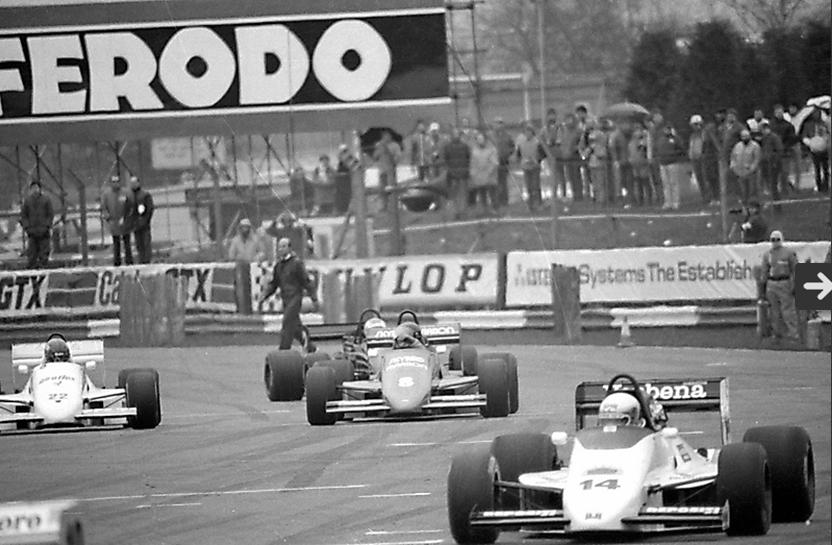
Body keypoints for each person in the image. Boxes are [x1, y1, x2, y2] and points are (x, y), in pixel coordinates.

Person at [258, 237, 319, 351]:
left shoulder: (297, 263)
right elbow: (274, 284)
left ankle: (284, 349)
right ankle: (310, 346)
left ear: (290, 248)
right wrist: (265, 294)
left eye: (284, 246)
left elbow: (306, 281)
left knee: (287, 322)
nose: (281, 249)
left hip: (295, 298)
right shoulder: (278, 266)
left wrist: (314, 298)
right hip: (285, 299)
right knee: (295, 328)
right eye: (279, 247)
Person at [761, 230, 798, 343]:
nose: (775, 242)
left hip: (784, 282)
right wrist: (763, 286)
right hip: (772, 283)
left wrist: (794, 284)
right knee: (774, 311)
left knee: (788, 310)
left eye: (777, 239)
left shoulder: (789, 253)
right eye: (773, 239)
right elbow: (764, 271)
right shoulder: (767, 254)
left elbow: (795, 270)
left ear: (781, 239)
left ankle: (793, 334)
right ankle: (777, 334)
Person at [19, 180, 54, 269]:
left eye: (36, 188)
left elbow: (50, 214)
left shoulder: (46, 200)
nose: (35, 190)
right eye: (33, 188)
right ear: (30, 189)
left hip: (44, 233)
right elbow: (23, 216)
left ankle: (43, 272)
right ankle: (32, 274)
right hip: (32, 233)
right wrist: (27, 228)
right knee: (32, 255)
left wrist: (46, 226)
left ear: (40, 189)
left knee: (44, 254)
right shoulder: (27, 201)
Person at [101, 175, 133, 266]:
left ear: (120, 182)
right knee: (116, 243)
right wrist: (107, 216)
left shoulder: (126, 192)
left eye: (117, 182)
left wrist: (127, 217)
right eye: (113, 182)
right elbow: (104, 207)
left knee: (127, 242)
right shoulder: (106, 194)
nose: (115, 184)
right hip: (113, 221)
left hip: (125, 220)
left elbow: (130, 205)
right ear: (111, 183)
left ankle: (129, 261)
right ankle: (117, 262)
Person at [441, 128, 472, 220]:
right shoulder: (451, 147)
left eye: (457, 134)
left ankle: (460, 213)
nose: (456, 136)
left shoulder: (463, 146)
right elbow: (445, 160)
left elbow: (468, 159)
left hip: (459, 174)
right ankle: (458, 213)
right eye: (455, 134)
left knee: (460, 195)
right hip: (455, 174)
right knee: (457, 195)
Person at [655, 124, 687, 210]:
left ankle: (675, 202)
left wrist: (674, 154)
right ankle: (667, 202)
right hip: (663, 163)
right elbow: (657, 149)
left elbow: (682, 149)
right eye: (665, 129)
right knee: (665, 184)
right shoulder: (660, 139)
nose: (666, 130)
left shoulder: (676, 139)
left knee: (674, 183)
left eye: (668, 129)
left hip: (673, 163)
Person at [514, 123, 543, 212]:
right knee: (528, 186)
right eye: (526, 132)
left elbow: (542, 153)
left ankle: (538, 203)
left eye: (529, 132)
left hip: (535, 167)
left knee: (535, 186)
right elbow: (518, 154)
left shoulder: (537, 142)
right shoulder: (521, 142)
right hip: (525, 167)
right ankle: (530, 204)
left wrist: (537, 160)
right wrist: (520, 161)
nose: (528, 134)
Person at [468, 131, 499, 216]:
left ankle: (495, 209)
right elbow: (472, 163)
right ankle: (484, 209)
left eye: (481, 139)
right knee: (482, 194)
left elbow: (494, 163)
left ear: (485, 140)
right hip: (479, 177)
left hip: (490, 177)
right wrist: (473, 174)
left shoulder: (492, 149)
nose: (480, 141)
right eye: (478, 139)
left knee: (493, 194)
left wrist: (488, 172)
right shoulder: (474, 151)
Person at [372, 130, 402, 212]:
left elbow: (397, 158)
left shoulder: (395, 145)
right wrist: (378, 149)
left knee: (392, 189)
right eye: (384, 135)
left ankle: (393, 206)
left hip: (391, 171)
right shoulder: (379, 145)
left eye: (388, 135)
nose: (386, 137)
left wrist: (388, 151)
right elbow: (375, 157)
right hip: (382, 171)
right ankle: (383, 207)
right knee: (382, 190)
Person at [730, 129, 761, 205]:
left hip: (752, 174)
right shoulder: (737, 146)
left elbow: (757, 159)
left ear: (749, 136)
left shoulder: (755, 146)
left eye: (746, 136)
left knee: (752, 191)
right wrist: (733, 166)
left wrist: (752, 168)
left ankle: (753, 207)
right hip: (740, 173)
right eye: (743, 136)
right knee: (743, 191)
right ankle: (744, 206)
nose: (745, 138)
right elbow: (733, 157)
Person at [758, 121, 784, 209]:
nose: (761, 132)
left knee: (773, 185)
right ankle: (772, 202)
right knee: (769, 185)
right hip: (765, 164)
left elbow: (779, 150)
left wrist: (775, 162)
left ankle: (777, 205)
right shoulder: (764, 139)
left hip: (773, 164)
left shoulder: (774, 137)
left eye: (761, 130)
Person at [128, 176, 154, 264]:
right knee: (139, 244)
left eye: (135, 183)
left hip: (144, 224)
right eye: (131, 183)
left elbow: (149, 209)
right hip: (135, 224)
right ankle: (141, 260)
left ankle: (147, 261)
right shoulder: (130, 196)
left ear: (138, 183)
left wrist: (145, 220)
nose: (133, 185)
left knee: (146, 243)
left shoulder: (145, 195)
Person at [493, 118, 515, 209]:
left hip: (504, 161)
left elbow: (512, 147)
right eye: (497, 123)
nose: (498, 125)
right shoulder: (491, 136)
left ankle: (504, 200)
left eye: (500, 123)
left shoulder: (508, 136)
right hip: (493, 162)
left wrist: (508, 153)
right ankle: (496, 201)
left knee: (503, 181)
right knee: (495, 182)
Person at [688, 115, 711, 205]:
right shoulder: (693, 135)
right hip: (695, 159)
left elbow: (705, 145)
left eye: (696, 124)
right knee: (699, 178)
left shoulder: (704, 134)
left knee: (705, 178)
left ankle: (708, 196)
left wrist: (703, 154)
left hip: (702, 158)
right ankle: (703, 196)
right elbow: (691, 146)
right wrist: (691, 155)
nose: (695, 127)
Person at [334, 144, 354, 215]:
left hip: (348, 181)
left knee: (349, 196)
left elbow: (354, 170)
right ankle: (341, 210)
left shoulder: (350, 159)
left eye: (345, 151)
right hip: (341, 182)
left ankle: (349, 211)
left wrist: (347, 174)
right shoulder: (340, 161)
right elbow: (338, 170)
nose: (343, 153)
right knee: (340, 196)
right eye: (342, 151)